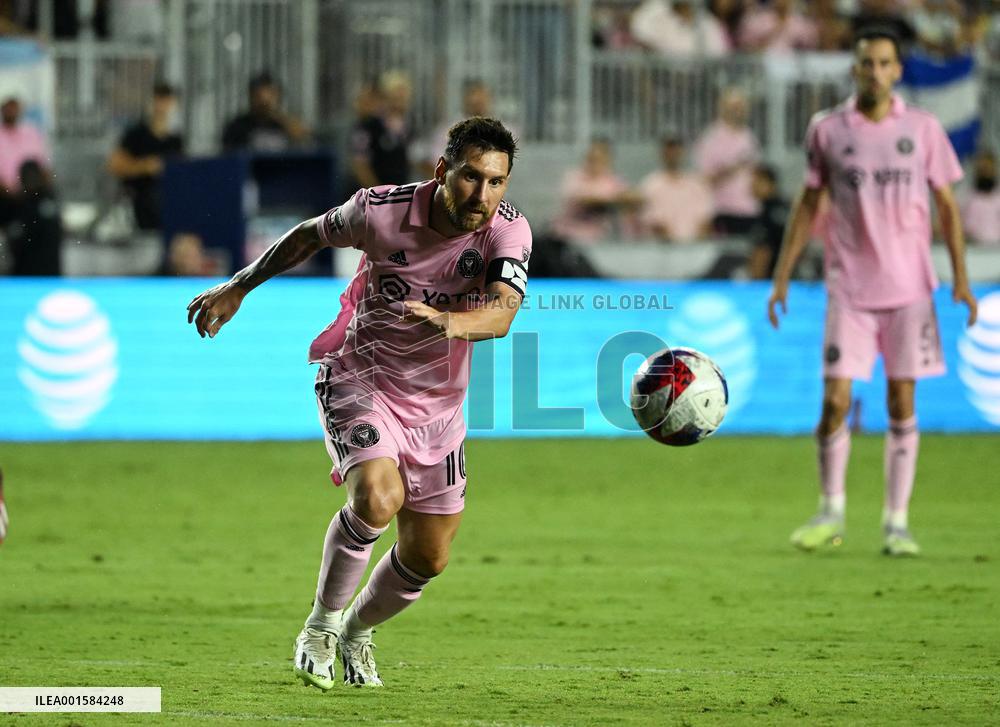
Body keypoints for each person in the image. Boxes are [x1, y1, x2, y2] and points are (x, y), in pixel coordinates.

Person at [186, 117, 530, 688]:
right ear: (443, 171)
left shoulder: (508, 232)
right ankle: (319, 627)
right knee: (378, 495)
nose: (483, 195)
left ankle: (356, 630)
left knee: (430, 557)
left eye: (497, 183)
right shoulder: (380, 209)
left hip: (438, 410)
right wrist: (240, 285)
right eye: (472, 178)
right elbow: (307, 235)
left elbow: (502, 313)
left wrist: (447, 320)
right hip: (358, 377)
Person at [767, 29, 978, 557]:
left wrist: (961, 277)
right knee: (835, 401)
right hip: (850, 289)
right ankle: (830, 511)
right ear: (855, 70)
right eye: (867, 63)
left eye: (885, 63)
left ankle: (896, 522)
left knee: (901, 401)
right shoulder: (828, 130)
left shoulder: (924, 130)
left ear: (897, 71)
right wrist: (782, 274)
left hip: (910, 290)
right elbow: (809, 203)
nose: (876, 72)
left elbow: (947, 207)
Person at [107, 81, 184, 231]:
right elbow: (114, 165)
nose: (161, 107)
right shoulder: (136, 134)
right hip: (139, 202)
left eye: (166, 101)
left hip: (167, 203)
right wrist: (145, 166)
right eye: (158, 100)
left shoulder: (176, 140)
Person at [693, 87, 761, 235]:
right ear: (722, 108)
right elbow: (705, 179)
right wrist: (733, 168)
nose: (739, 110)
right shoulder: (711, 139)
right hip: (723, 210)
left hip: (749, 209)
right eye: (734, 107)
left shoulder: (749, 137)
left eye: (742, 106)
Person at [551, 138, 636, 244]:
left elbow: (631, 197)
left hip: (601, 237)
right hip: (570, 235)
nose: (595, 162)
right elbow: (583, 199)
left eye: (600, 158)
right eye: (592, 158)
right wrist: (611, 200)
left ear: (608, 159)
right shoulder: (573, 177)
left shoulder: (613, 181)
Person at [637, 136, 714, 242]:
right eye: (669, 151)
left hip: (695, 249)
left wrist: (695, 247)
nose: (673, 155)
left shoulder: (697, 184)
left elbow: (705, 220)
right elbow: (653, 222)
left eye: (676, 150)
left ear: (682, 153)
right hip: (662, 249)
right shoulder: (650, 185)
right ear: (662, 154)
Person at [348, 70, 413, 192]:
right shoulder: (368, 125)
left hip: (396, 196)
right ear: (385, 97)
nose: (401, 100)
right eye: (396, 95)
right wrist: (378, 195)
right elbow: (360, 166)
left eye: (404, 94)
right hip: (370, 199)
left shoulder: (407, 127)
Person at [221, 71, 310, 153]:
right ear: (251, 97)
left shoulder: (286, 124)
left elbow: (304, 142)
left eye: (271, 95)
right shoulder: (237, 126)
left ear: (278, 96)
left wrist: (280, 119)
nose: (264, 101)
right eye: (258, 96)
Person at [746, 164, 788, 279]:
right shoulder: (780, 208)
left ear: (770, 184)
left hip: (773, 279)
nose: (752, 186)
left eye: (757, 181)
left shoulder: (771, 212)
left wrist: (757, 283)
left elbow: (764, 251)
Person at [959, 148, 1000, 246]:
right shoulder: (966, 196)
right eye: (982, 169)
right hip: (973, 250)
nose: (985, 173)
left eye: (988, 169)